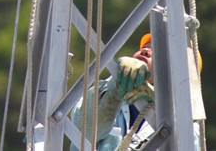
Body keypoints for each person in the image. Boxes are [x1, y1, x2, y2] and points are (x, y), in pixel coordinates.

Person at [70, 35, 201, 150]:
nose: (145, 51)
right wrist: (116, 87)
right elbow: (83, 129)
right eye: (144, 47)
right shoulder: (105, 92)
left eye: (158, 50)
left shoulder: (186, 128)